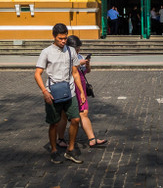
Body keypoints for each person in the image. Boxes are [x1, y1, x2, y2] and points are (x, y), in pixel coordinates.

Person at [34, 23, 86, 164]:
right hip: (52, 92)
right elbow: (37, 74)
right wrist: (44, 92)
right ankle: (54, 150)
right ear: (54, 37)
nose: (63, 41)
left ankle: (70, 150)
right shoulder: (46, 52)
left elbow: (75, 73)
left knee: (75, 119)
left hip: (70, 91)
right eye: (60, 38)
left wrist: (81, 92)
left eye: (65, 38)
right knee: (54, 123)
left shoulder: (71, 51)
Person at [58, 35, 108, 149]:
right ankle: (60, 139)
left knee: (83, 113)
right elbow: (65, 72)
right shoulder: (64, 57)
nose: (78, 50)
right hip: (69, 87)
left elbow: (86, 71)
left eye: (78, 48)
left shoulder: (78, 56)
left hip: (81, 87)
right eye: (76, 48)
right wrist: (78, 64)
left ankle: (92, 139)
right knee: (64, 115)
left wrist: (87, 64)